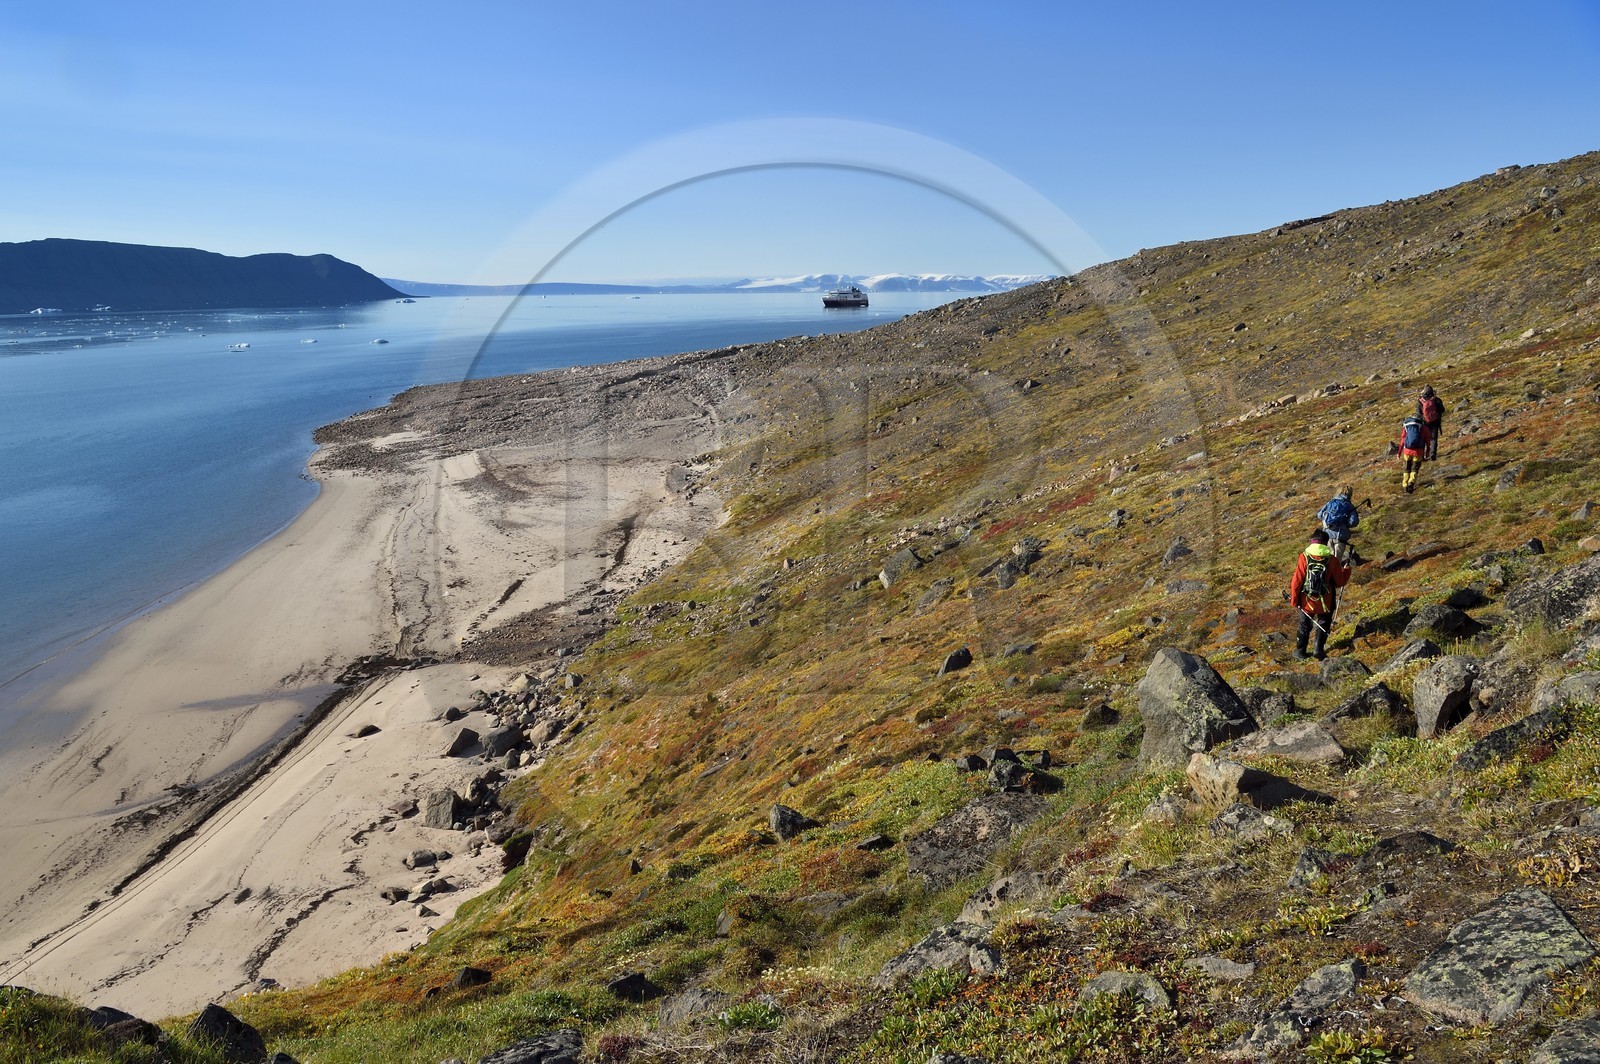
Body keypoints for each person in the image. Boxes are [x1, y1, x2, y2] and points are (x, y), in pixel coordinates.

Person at [1289, 528, 1351, 660]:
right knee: (1324, 622)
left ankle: (1300, 652)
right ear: (1325, 543)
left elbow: (1297, 581)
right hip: (1326, 600)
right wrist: (1347, 570)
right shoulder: (1332, 559)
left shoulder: (1304, 557)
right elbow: (1339, 581)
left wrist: (1294, 600)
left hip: (1306, 599)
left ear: (1312, 542)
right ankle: (1318, 650)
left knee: (1304, 624)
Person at [1317, 486, 1360, 563]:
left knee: (1328, 559)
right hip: (1340, 536)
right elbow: (1354, 522)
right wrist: (1345, 523)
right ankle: (1336, 574)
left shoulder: (1330, 503)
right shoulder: (1349, 505)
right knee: (1336, 561)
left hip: (1327, 534)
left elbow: (1319, 515)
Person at [1398, 413, 1432, 493]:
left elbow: (1403, 440)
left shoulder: (1407, 427)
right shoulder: (1424, 428)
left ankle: (1405, 484)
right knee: (1415, 468)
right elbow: (1428, 441)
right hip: (1418, 452)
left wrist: (1399, 452)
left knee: (1407, 468)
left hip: (1407, 451)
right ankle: (1411, 482)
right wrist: (1427, 452)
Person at [1416, 385, 1446, 460]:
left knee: (1423, 439)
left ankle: (1422, 456)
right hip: (1435, 422)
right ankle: (1433, 454)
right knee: (1433, 439)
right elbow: (1442, 410)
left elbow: (1418, 412)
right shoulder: (1436, 400)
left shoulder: (1421, 401)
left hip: (1425, 423)